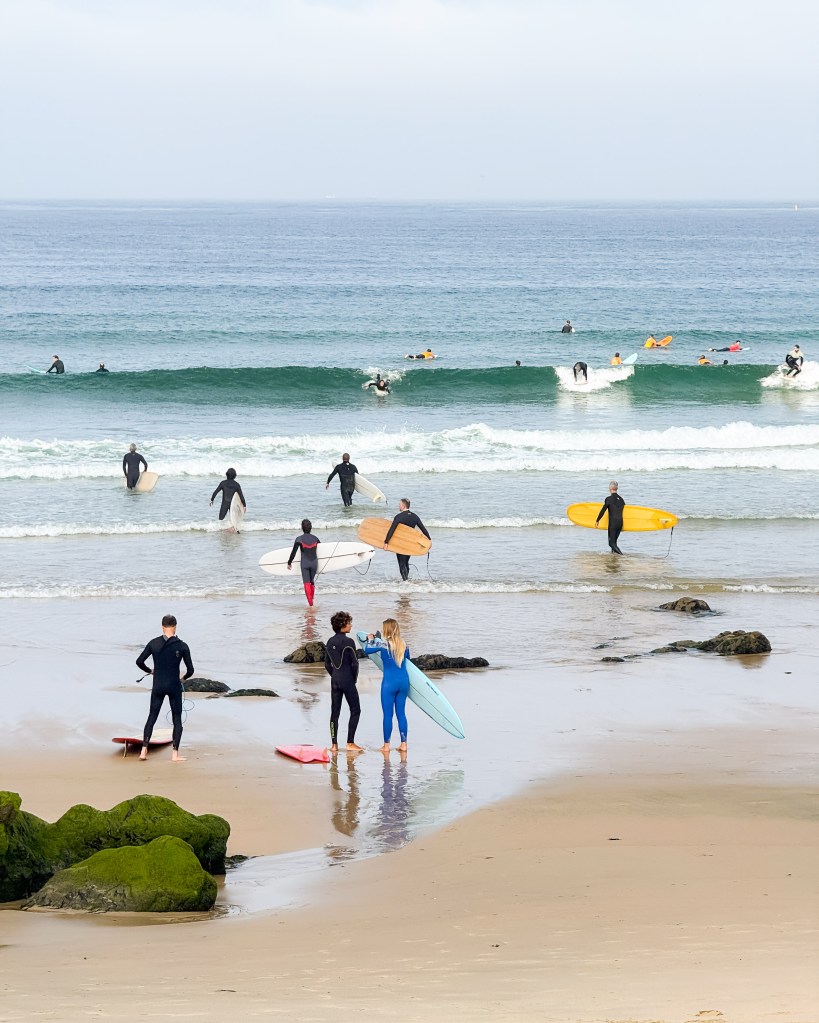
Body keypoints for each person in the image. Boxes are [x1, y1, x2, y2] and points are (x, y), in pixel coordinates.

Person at [136, 614, 194, 762]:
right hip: (174, 685)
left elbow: (139, 661)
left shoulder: (153, 643)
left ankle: (143, 751)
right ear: (175, 627)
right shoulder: (182, 645)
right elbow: (190, 670)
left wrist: (150, 671)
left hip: (158, 685)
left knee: (152, 717)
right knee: (177, 720)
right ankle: (175, 754)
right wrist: (183, 679)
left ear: (162, 627)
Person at [363, 619, 410, 753]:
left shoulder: (383, 644)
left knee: (388, 715)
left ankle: (386, 746)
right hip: (403, 682)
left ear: (386, 630)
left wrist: (370, 639)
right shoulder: (404, 645)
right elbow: (409, 662)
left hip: (389, 683)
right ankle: (404, 744)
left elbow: (367, 650)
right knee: (401, 713)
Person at [325, 611, 363, 753]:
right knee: (355, 710)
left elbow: (327, 664)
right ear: (342, 625)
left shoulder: (329, 642)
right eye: (349, 622)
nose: (351, 625)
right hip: (347, 680)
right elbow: (355, 664)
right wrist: (353, 679)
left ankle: (334, 745)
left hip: (335, 681)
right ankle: (350, 743)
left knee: (335, 713)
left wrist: (335, 675)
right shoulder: (349, 642)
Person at [384, 498, 430, 581]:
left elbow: (392, 530)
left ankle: (405, 582)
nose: (399, 506)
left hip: (400, 543)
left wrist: (386, 542)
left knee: (401, 563)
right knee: (406, 562)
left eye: (399, 505)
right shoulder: (415, 517)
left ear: (403, 505)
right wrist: (429, 541)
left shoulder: (398, 517)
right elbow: (423, 529)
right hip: (410, 543)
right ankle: (406, 580)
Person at [288, 518, 321, 606]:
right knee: (312, 581)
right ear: (311, 528)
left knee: (307, 583)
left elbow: (293, 553)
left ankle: (311, 604)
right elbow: (322, 552)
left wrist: (289, 563)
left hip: (305, 564)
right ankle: (312, 602)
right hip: (314, 563)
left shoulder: (299, 539)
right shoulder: (316, 539)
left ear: (302, 528)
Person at [595, 480, 625, 555]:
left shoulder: (608, 499)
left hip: (613, 524)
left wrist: (597, 520)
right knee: (614, 542)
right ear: (616, 488)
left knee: (611, 543)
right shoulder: (621, 500)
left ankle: (622, 555)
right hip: (620, 523)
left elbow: (603, 510)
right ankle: (613, 557)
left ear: (609, 488)